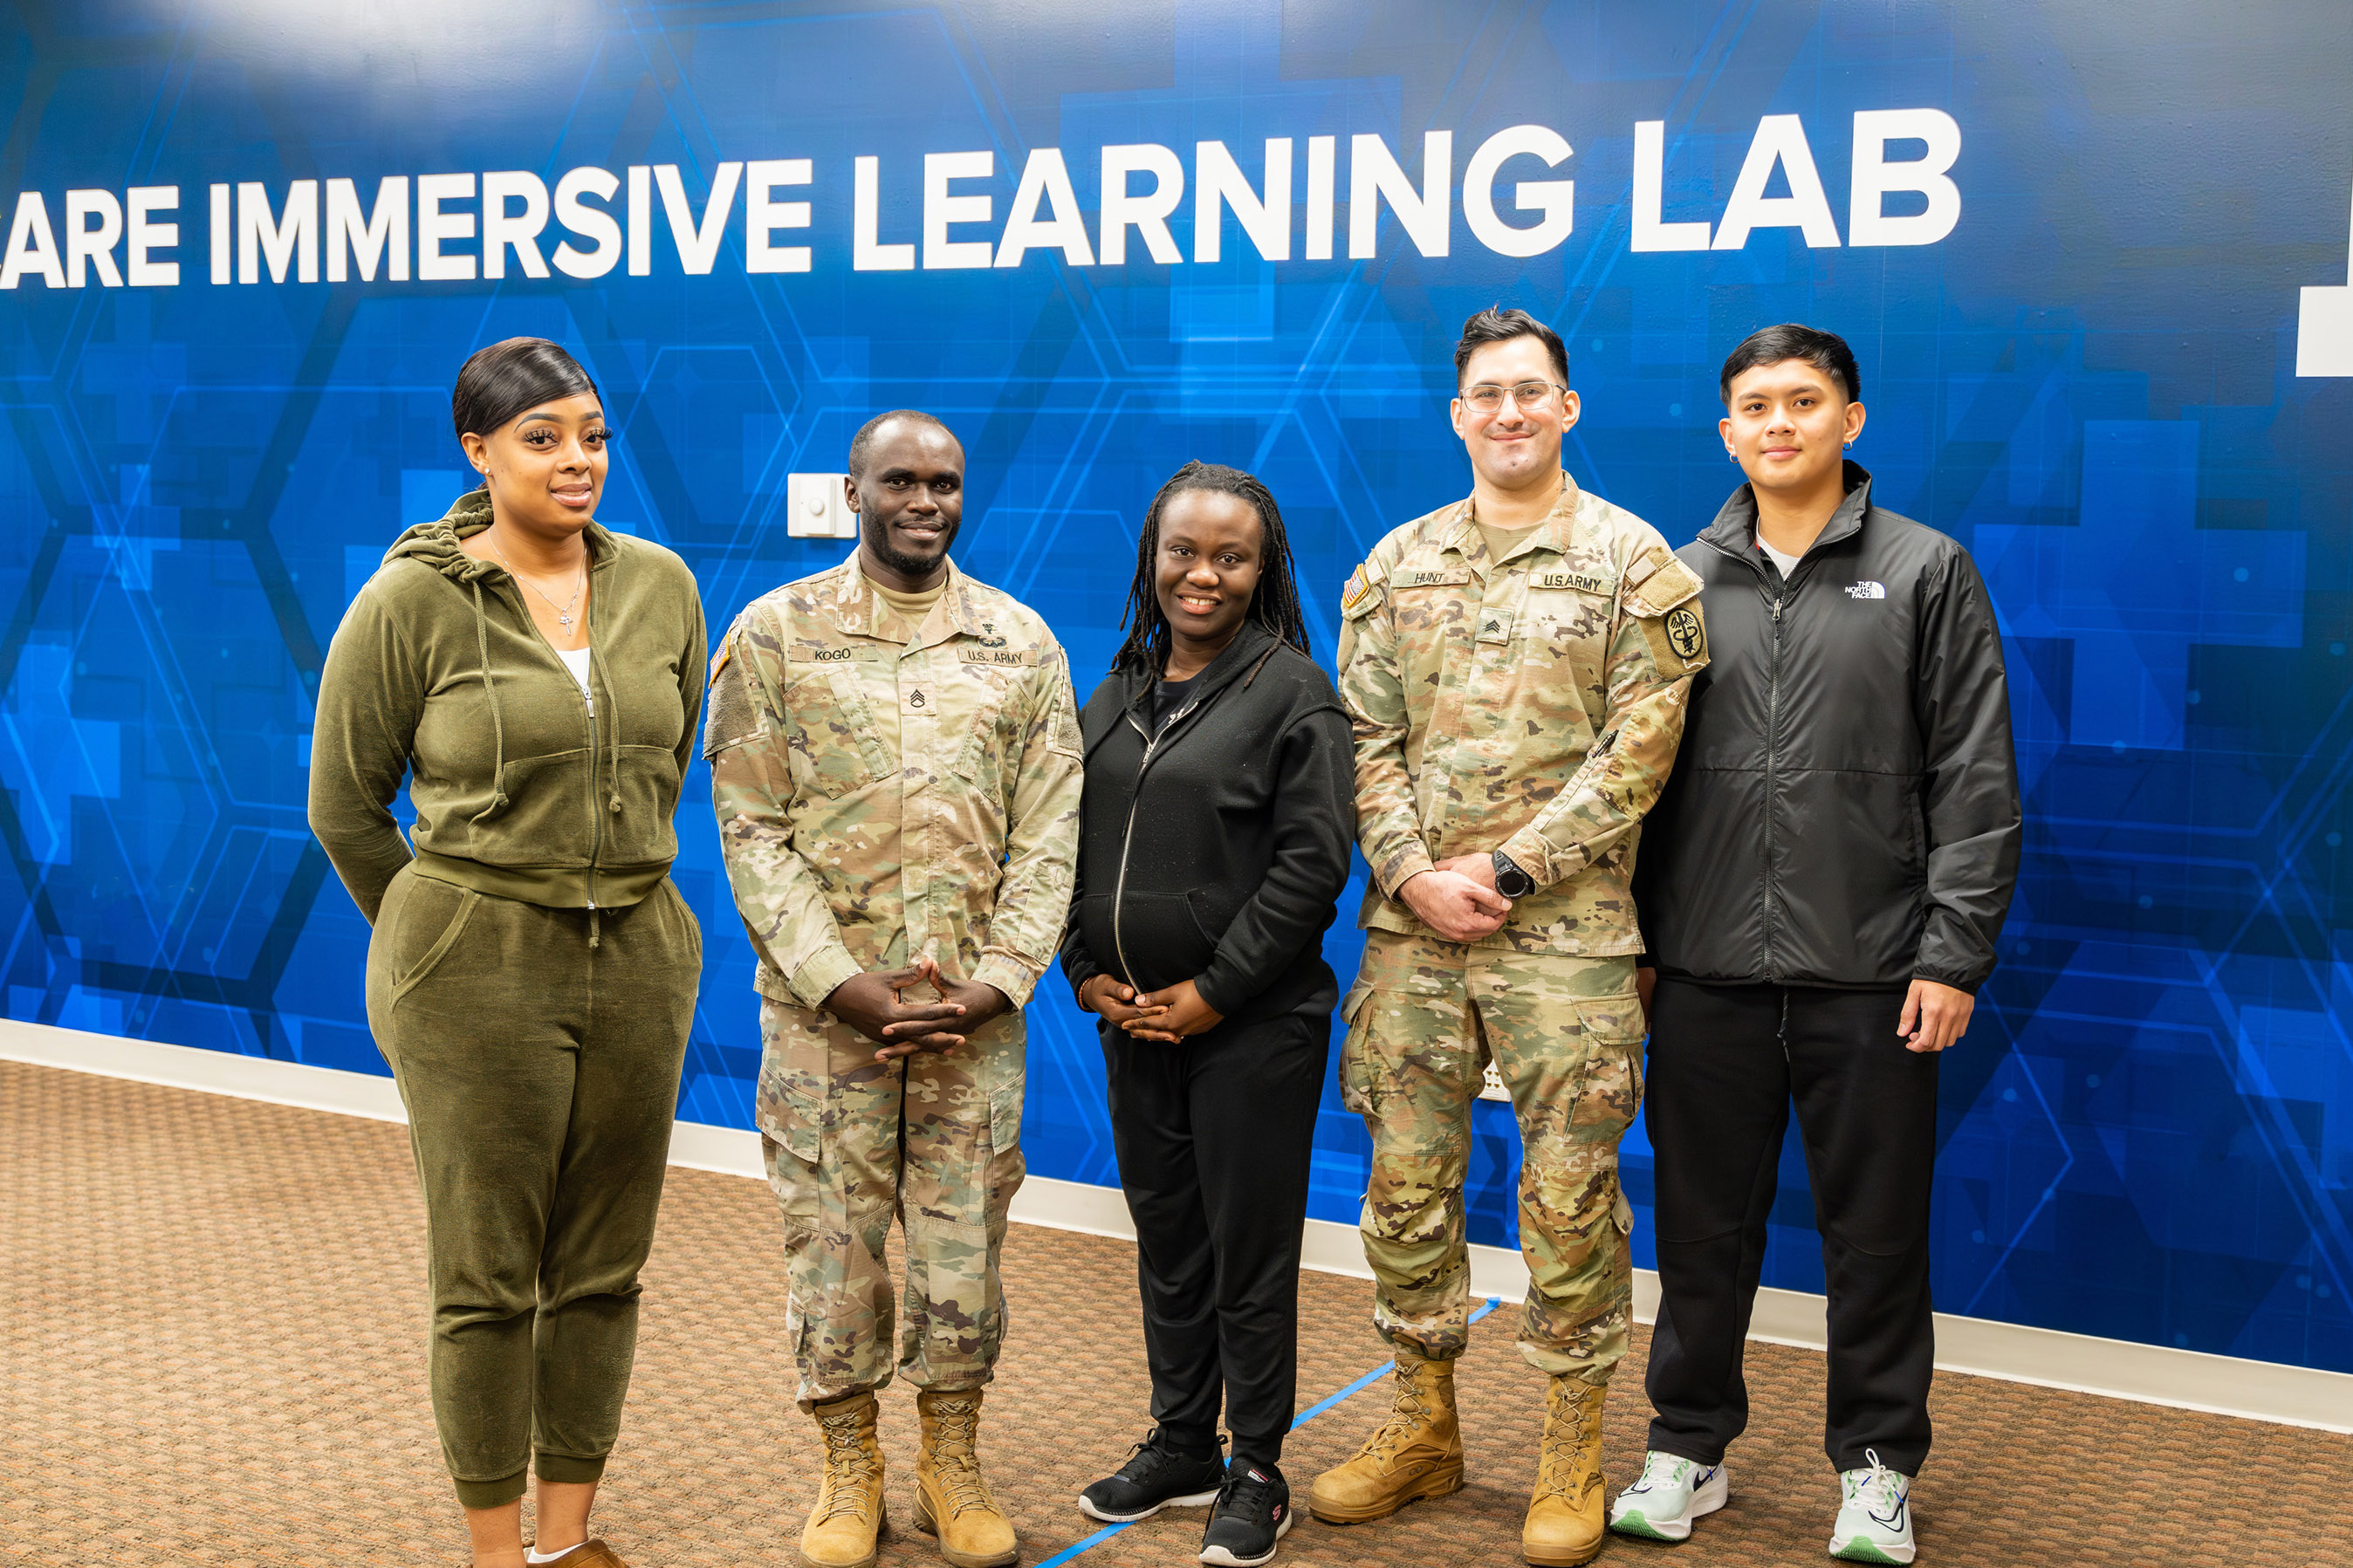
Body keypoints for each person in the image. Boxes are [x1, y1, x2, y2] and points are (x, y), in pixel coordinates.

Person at [1609, 324, 2020, 1565]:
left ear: (1852, 419)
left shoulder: (1927, 569)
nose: (1778, 422)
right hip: (1704, 973)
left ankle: (1879, 1466)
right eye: (1754, 404)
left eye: (1803, 400)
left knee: (1878, 1235)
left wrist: (1952, 952)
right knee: (1700, 1230)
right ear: (1726, 430)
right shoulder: (1676, 580)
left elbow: (1975, 775)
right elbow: (1636, 781)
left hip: (1877, 975)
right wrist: (1636, 944)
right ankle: (1688, 1445)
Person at [1312, 306, 1708, 1567]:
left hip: (1571, 938)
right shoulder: (1393, 564)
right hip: (1411, 937)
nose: (1509, 413)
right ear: (1457, 413)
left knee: (1569, 1197)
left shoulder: (1638, 564)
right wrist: (1414, 873)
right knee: (1406, 1192)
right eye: (1486, 394)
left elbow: (1643, 747)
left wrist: (1514, 862)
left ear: (1569, 406)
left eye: (1531, 391)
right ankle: (1426, 1430)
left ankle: (1571, 1448)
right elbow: (1364, 743)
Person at [310, 338, 708, 1568]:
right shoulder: (410, 602)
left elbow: (666, 761)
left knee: (603, 1266)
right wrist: (442, 933)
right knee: (486, 1277)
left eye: (590, 432)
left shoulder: (659, 584)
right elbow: (344, 806)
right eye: (543, 438)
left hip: (640, 957)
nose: (576, 459)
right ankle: (495, 1550)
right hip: (476, 969)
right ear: (477, 453)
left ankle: (566, 1536)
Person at [706, 410, 1082, 1568]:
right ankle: (848, 1463)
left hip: (974, 1026)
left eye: (945, 483)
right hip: (829, 1026)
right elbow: (750, 826)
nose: (925, 502)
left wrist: (998, 984)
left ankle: (951, 1459)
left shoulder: (1022, 644)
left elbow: (1050, 833)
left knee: (966, 1245)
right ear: (856, 490)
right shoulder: (775, 635)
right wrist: (840, 982)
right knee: (834, 1245)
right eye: (900, 481)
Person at [1058, 462, 1355, 1568]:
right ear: (1151, 556)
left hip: (1252, 1027)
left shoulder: (1293, 694)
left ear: (1261, 568)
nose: (1202, 574)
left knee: (1247, 1251)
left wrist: (1212, 993)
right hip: (1126, 1018)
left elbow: (1310, 868)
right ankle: (1183, 1439)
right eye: (1182, 550)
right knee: (1170, 1243)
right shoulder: (1117, 690)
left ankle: (1258, 1466)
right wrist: (1084, 972)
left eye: (1230, 556)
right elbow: (1060, 847)